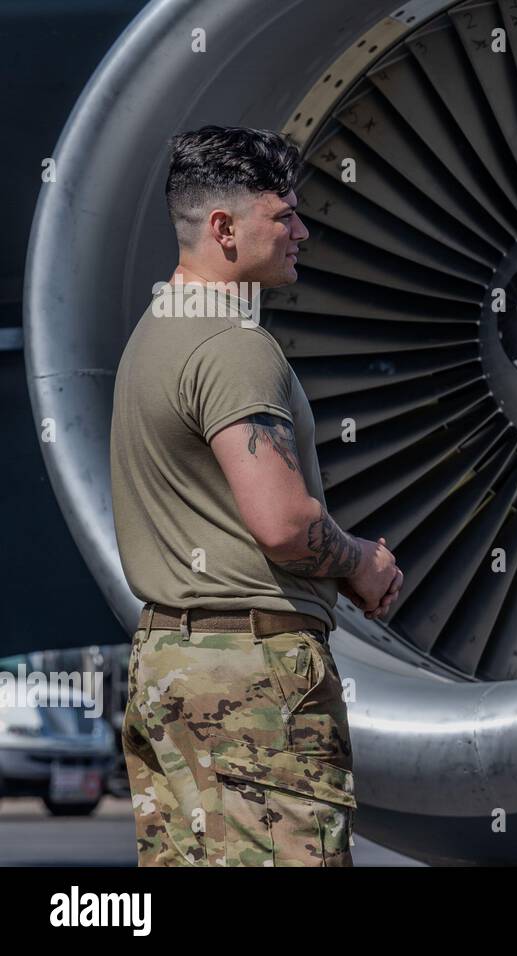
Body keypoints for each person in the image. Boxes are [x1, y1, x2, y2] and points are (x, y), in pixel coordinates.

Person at [112, 126, 403, 866]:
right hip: (251, 678)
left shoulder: (153, 336)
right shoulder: (234, 346)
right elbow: (282, 525)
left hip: (167, 665)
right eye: (284, 216)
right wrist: (360, 561)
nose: (302, 231)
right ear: (224, 228)